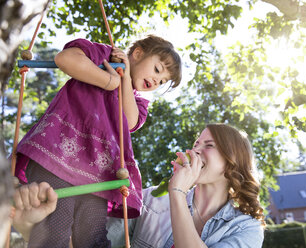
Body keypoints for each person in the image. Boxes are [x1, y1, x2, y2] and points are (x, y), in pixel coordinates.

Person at [13, 35, 182, 247]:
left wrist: (125, 80)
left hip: (98, 174)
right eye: (157, 70)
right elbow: (66, 59)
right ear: (137, 53)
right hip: (58, 155)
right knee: (55, 226)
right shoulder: (105, 56)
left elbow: (129, 122)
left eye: (162, 82)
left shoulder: (138, 103)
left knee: (93, 237)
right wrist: (109, 80)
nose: (157, 81)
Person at [13, 123, 265, 247]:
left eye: (208, 146)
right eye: (196, 144)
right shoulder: (147, 201)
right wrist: (31, 227)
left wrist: (177, 192)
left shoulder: (247, 228)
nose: (195, 151)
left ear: (233, 163)